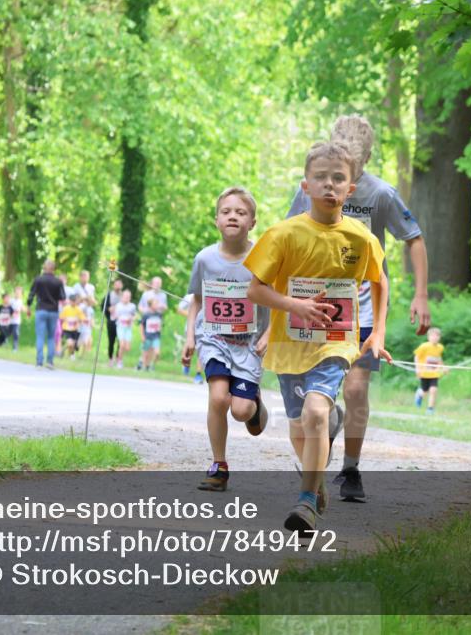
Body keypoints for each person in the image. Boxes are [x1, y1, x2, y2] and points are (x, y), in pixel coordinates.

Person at [246, 141, 389, 534]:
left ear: (350, 190)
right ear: (304, 186)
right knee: (299, 428)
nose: (329, 185)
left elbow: (380, 281)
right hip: (291, 344)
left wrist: (376, 331)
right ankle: (317, 481)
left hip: (336, 342)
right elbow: (255, 289)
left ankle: (306, 503)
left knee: (314, 414)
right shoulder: (282, 235)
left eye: (338, 179)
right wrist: (296, 306)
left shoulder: (361, 239)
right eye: (321, 178)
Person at [285, 115, 429, 502]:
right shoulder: (311, 188)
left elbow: (413, 238)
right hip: (317, 307)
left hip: (362, 309)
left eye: (351, 168)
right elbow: (286, 242)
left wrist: (421, 295)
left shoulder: (381, 194)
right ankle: (324, 432)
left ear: (363, 164)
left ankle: (350, 469)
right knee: (319, 399)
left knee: (357, 387)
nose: (337, 181)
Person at [182, 187, 271, 492]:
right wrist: (190, 335)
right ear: (216, 220)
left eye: (241, 212)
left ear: (253, 222)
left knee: (241, 411)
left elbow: (277, 300)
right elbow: (196, 298)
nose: (233, 216)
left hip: (248, 345)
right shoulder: (205, 259)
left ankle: (255, 404)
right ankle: (219, 466)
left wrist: (271, 333)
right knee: (219, 398)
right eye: (226, 211)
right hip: (214, 338)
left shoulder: (262, 257)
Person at [27, 259, 67, 369]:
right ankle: (50, 361)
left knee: (40, 336)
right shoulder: (58, 282)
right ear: (54, 269)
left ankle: (39, 362)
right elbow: (63, 297)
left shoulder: (38, 280)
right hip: (53, 311)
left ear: (44, 267)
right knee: (51, 337)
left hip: (41, 309)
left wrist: (28, 306)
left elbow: (31, 294)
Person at [413, 327, 444, 415]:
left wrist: (443, 367)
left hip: (434, 374)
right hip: (424, 373)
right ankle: (419, 395)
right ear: (428, 337)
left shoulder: (440, 347)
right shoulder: (424, 346)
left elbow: (438, 358)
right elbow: (416, 356)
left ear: (439, 337)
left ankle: (430, 409)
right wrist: (417, 369)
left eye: (437, 336)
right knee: (424, 391)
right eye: (433, 336)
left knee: (433, 390)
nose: (435, 338)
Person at [113, 289, 137, 368]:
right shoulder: (118, 305)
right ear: (122, 297)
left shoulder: (132, 306)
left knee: (127, 348)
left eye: (128, 297)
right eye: (125, 296)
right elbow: (115, 316)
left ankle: (119, 357)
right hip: (120, 327)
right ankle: (119, 361)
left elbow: (135, 316)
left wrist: (131, 318)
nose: (126, 298)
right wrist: (120, 317)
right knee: (122, 344)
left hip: (128, 328)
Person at [104, 279, 124, 367]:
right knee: (111, 341)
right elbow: (103, 307)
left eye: (119, 284)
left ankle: (118, 358)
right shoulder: (109, 295)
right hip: (111, 321)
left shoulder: (124, 296)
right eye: (116, 284)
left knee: (121, 341)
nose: (118, 286)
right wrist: (108, 309)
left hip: (121, 322)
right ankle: (110, 358)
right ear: (113, 286)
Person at [140, 297, 164, 371]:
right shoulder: (146, 315)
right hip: (147, 336)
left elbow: (160, 324)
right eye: (155, 304)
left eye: (157, 304)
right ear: (150, 305)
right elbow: (141, 326)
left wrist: (160, 329)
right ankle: (145, 366)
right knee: (146, 353)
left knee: (157, 353)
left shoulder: (159, 314)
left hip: (156, 337)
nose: (157, 305)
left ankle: (152, 365)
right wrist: (142, 336)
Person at [60, 295, 84, 360]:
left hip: (75, 329)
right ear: (70, 301)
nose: (73, 303)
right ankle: (71, 354)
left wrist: (78, 320)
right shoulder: (66, 308)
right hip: (67, 328)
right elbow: (61, 317)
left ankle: (69, 352)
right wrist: (68, 319)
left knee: (73, 344)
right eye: (72, 301)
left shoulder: (78, 309)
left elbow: (82, 318)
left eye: (74, 301)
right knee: (70, 343)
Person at [7, 285, 26, 351]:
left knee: (16, 333)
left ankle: (15, 347)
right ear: (14, 293)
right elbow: (7, 308)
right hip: (10, 321)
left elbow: (23, 309)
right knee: (7, 333)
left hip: (17, 321)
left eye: (19, 293)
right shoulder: (11, 301)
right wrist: (11, 313)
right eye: (16, 292)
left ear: (21, 294)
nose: (18, 294)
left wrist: (24, 309)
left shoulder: (20, 301)